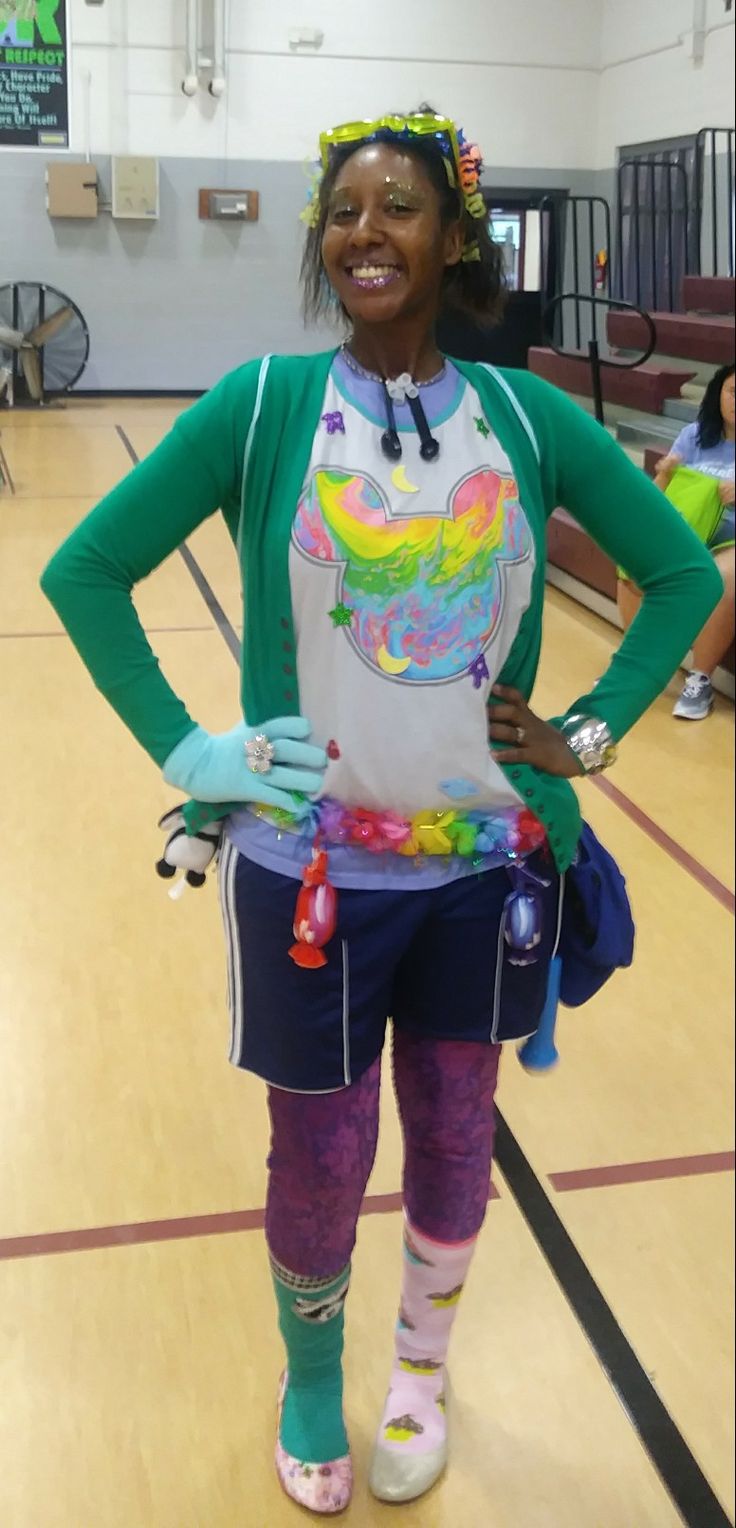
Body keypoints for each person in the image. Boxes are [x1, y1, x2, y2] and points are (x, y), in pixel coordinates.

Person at [40, 109, 721, 1517]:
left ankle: (421, 1366)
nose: (366, 232)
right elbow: (87, 571)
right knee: (323, 1146)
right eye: (343, 210)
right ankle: (308, 1374)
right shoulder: (265, 404)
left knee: (458, 1133)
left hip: (484, 868)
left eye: (398, 208)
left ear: (453, 236)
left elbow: (683, 578)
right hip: (308, 876)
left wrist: (584, 734)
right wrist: (193, 752)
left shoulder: (526, 420)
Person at [617, 362, 735, 720]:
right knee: (634, 557)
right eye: (733, 392)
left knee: (724, 578)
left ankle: (700, 681)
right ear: (718, 395)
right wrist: (664, 475)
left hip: (731, 537)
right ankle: (645, 668)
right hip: (688, 529)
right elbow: (659, 500)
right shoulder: (694, 436)